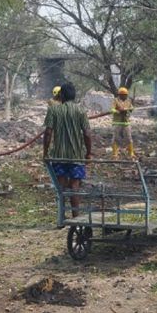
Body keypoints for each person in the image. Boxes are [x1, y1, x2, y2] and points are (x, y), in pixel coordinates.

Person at [43, 82, 93, 218]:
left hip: (59, 155)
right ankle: (76, 217)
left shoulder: (54, 110)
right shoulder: (81, 111)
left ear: (62, 95)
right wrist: (89, 153)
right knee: (75, 185)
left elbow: (48, 133)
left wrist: (45, 152)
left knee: (61, 186)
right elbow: (87, 134)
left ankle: (61, 216)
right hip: (77, 156)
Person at [91, 87, 135, 159]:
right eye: (123, 95)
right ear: (120, 95)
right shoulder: (116, 101)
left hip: (126, 123)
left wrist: (129, 109)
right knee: (116, 138)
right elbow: (112, 109)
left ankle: (131, 152)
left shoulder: (128, 101)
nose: (125, 96)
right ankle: (115, 154)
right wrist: (117, 111)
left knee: (129, 138)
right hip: (117, 123)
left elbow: (131, 108)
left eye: (126, 95)